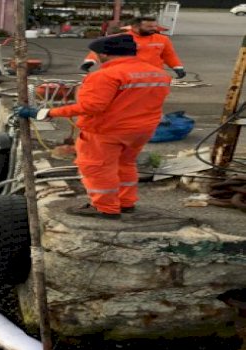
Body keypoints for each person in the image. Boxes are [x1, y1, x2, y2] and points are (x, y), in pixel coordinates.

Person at [16, 34, 171, 219]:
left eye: (97, 54)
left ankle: (105, 208)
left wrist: (44, 113)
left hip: (106, 131)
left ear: (105, 54)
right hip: (141, 130)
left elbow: (91, 107)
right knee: (125, 164)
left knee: (97, 168)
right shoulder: (158, 73)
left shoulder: (105, 75)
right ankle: (126, 202)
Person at [79, 17, 185, 79]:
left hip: (152, 76)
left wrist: (178, 68)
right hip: (127, 76)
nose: (153, 29)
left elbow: (169, 55)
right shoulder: (120, 38)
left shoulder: (163, 39)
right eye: (149, 27)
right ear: (135, 27)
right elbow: (100, 50)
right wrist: (89, 62)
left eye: (154, 26)